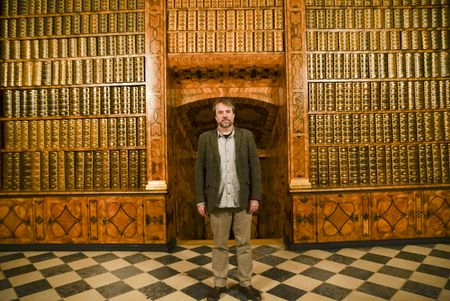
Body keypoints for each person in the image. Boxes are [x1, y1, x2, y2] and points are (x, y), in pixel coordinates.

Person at [195, 99, 262, 301]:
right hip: (217, 200)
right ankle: (219, 284)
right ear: (215, 116)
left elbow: (255, 169)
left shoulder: (246, 137)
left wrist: (255, 197)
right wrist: (200, 200)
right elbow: (200, 171)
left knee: (244, 243)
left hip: (242, 200)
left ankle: (246, 284)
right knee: (219, 245)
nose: (224, 115)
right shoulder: (205, 139)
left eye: (228, 112)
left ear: (234, 115)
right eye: (220, 112)